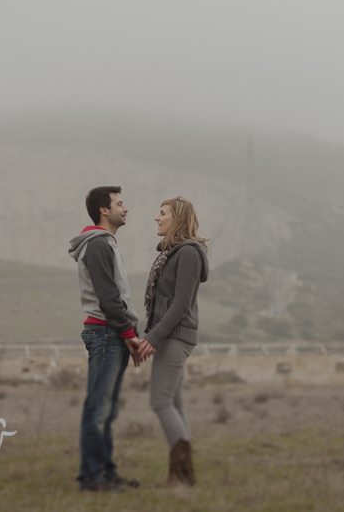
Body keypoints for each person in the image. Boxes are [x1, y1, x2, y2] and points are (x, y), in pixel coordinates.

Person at [68, 186, 142, 492]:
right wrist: (128, 335)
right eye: (120, 203)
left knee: (106, 410)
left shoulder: (107, 244)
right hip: (105, 334)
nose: (125, 209)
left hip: (112, 333)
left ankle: (106, 473)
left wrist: (129, 334)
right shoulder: (98, 245)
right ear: (104, 210)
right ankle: (92, 477)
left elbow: (118, 298)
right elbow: (109, 298)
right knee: (98, 410)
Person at [137, 196, 209, 486]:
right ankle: (184, 474)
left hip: (175, 337)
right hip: (170, 336)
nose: (157, 217)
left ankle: (181, 473)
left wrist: (152, 338)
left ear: (177, 219)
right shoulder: (173, 252)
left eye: (163, 213)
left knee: (160, 402)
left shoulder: (188, 253)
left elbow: (180, 304)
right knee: (175, 404)